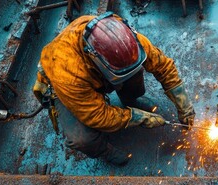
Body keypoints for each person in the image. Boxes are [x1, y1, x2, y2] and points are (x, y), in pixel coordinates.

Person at [33, 12, 195, 166]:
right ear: (99, 64)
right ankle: (104, 151)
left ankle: (131, 99)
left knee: (135, 70)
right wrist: (138, 118)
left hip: (98, 73)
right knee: (81, 139)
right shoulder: (69, 74)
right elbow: (97, 116)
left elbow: (163, 66)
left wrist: (183, 103)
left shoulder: (128, 41)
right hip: (65, 90)